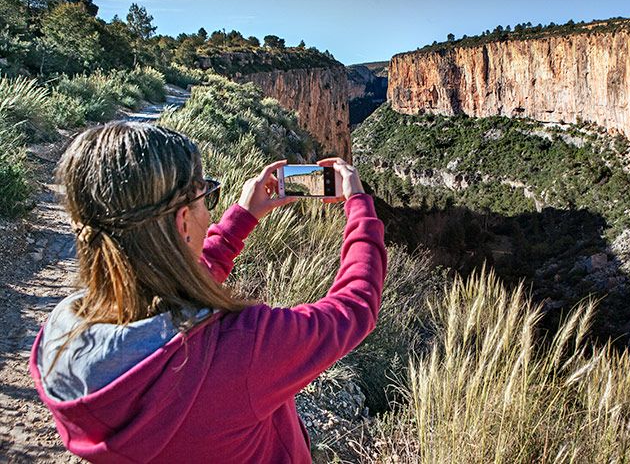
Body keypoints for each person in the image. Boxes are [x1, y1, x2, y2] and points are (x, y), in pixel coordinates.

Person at [28, 121, 387, 463]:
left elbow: (171, 287)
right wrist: (358, 205)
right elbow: (354, 307)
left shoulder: (59, 342)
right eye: (206, 197)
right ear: (183, 221)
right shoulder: (242, 347)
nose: (209, 209)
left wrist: (242, 217)